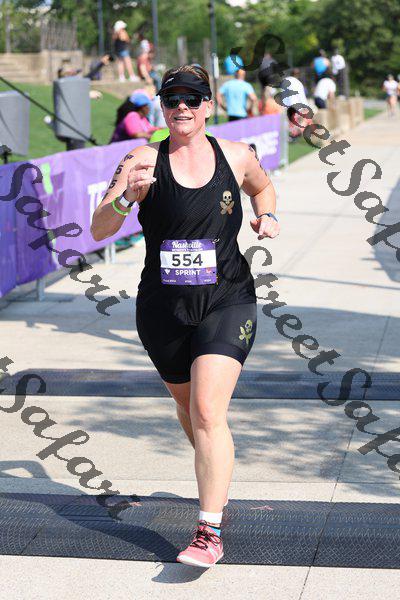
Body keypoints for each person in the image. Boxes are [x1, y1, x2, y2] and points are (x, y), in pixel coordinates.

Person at [90, 64, 279, 568]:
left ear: (208, 106)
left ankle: (208, 530)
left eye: (192, 99)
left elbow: (262, 188)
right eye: (172, 99)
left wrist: (267, 215)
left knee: (208, 411)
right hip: (163, 308)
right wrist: (126, 199)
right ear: (162, 106)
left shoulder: (237, 155)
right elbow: (98, 229)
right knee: (190, 408)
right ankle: (217, 472)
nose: (181, 107)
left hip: (227, 298)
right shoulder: (140, 159)